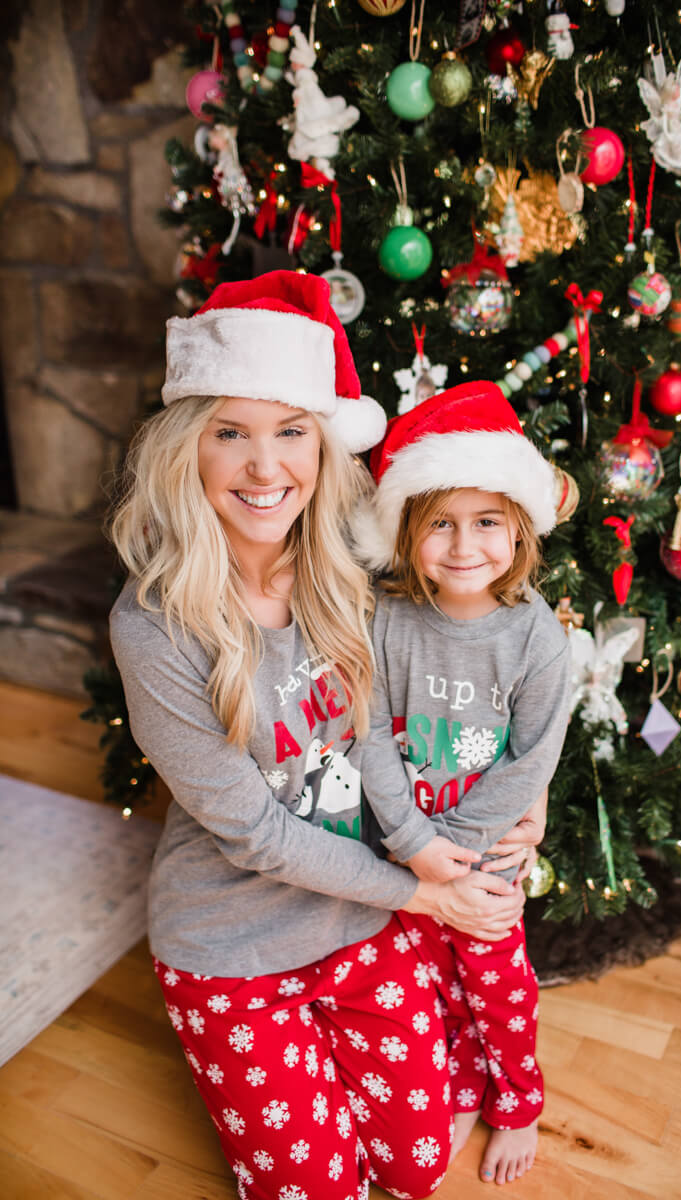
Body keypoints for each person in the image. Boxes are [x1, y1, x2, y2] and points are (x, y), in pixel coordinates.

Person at [108, 273, 529, 1200]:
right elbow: (254, 834)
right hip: (233, 944)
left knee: (416, 1171)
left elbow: (489, 680)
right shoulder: (153, 626)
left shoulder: (359, 565)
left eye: (291, 431)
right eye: (232, 432)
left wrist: (520, 812)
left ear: (323, 445)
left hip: (365, 916)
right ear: (188, 448)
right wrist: (424, 901)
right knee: (320, 1190)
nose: (266, 468)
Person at [352, 381, 572, 1187]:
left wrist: (461, 852)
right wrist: (412, 844)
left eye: (486, 521)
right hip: (401, 854)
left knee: (498, 988)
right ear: (408, 531)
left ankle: (516, 1100)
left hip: (483, 862)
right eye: (440, 522)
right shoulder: (386, 619)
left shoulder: (537, 639)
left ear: (518, 529)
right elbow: (366, 730)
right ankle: (457, 1081)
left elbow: (530, 761)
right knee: (421, 982)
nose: (462, 544)